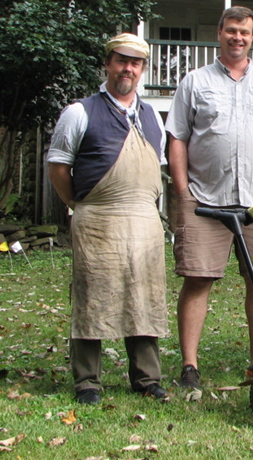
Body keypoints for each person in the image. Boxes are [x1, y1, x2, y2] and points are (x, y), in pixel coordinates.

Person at [166, 6, 253, 389]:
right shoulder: (194, 82)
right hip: (206, 200)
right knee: (197, 280)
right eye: (231, 31)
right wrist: (182, 191)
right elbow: (177, 137)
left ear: (252, 37)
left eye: (245, 32)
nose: (237, 37)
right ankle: (189, 366)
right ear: (219, 33)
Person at [48, 32, 169, 405]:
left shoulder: (151, 117)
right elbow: (58, 168)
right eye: (121, 60)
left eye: (135, 62)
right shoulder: (79, 112)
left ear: (143, 69)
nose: (127, 68)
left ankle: (147, 378)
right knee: (92, 294)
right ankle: (87, 381)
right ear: (107, 63)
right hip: (98, 219)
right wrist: (81, 205)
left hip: (145, 222)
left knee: (144, 296)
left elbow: (157, 167)